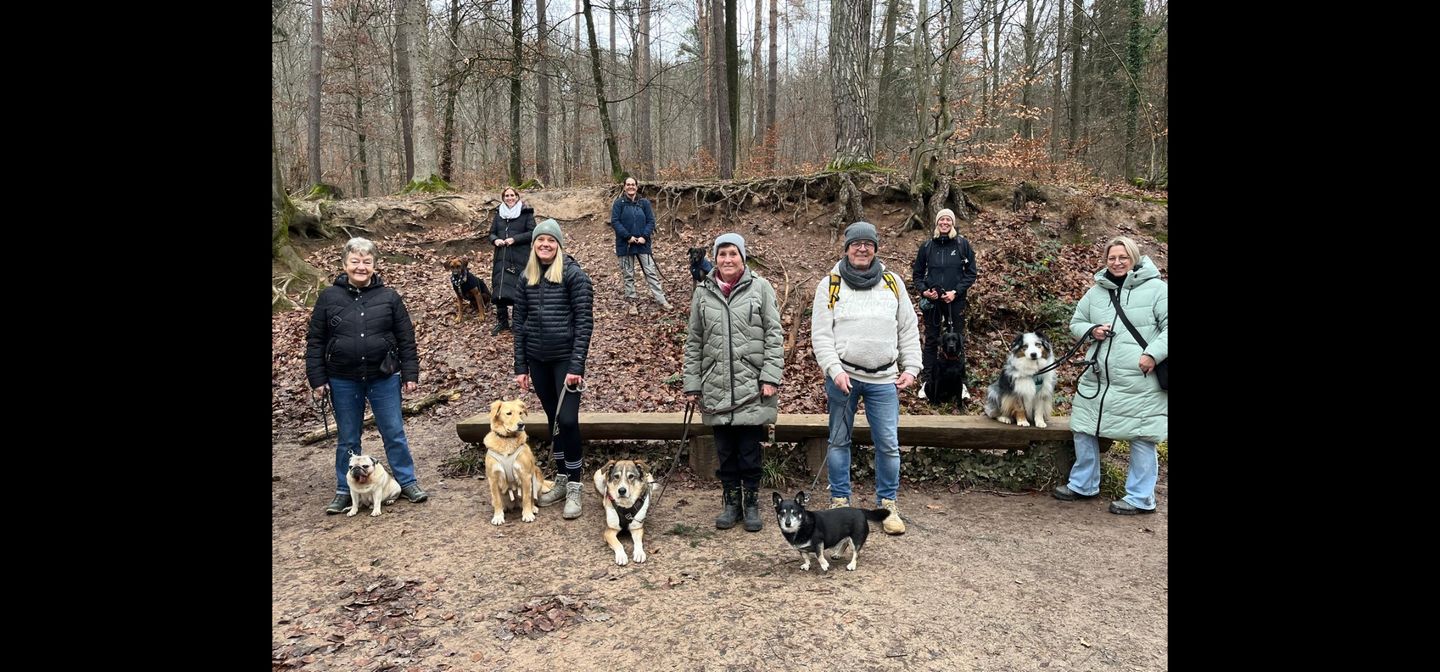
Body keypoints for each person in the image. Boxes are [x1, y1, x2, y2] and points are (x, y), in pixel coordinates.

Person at [809, 222, 922, 535]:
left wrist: (911, 367)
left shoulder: (892, 283)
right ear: (846, 248)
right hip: (843, 377)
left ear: (875, 248)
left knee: (887, 443)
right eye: (856, 244)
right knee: (838, 440)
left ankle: (887, 504)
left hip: (885, 379)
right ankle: (840, 500)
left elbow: (907, 328)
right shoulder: (830, 284)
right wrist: (834, 370)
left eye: (868, 244)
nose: (862, 249)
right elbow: (820, 335)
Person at [306, 237, 429, 514]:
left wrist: (410, 372)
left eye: (367, 261)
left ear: (374, 265)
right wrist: (317, 378)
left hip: (383, 376)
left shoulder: (389, 297)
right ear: (344, 264)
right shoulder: (329, 298)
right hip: (342, 378)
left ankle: (406, 481)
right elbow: (315, 340)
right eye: (355, 261)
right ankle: (343, 489)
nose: (361, 267)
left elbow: (405, 337)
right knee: (348, 438)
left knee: (394, 431)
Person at [1053, 236, 1168, 515]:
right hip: (1098, 378)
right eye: (1112, 258)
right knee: (1083, 427)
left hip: (1140, 379)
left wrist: (1153, 354)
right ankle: (1083, 484)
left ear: (1134, 258)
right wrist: (1092, 330)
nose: (1117, 263)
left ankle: (1141, 497)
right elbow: (1076, 322)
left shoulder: (1157, 290)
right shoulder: (1096, 292)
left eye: (1123, 257)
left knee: (1142, 436)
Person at [683, 233, 784, 532]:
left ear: (742, 257)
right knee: (725, 451)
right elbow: (694, 341)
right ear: (715, 258)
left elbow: (774, 335)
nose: (728, 259)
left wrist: (770, 375)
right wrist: (692, 384)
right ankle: (730, 503)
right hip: (715, 383)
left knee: (749, 451)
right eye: (722, 254)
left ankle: (751, 504)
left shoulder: (761, 288)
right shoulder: (703, 292)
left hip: (752, 385)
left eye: (733, 254)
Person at [513, 219, 595, 519]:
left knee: (568, 420)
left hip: (565, 360)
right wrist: (520, 365)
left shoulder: (575, 276)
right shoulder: (526, 278)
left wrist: (576, 365)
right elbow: (519, 325)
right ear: (533, 245)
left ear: (559, 245)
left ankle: (575, 484)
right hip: (538, 360)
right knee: (553, 421)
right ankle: (561, 477)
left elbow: (585, 324)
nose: (545, 245)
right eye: (539, 240)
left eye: (550, 241)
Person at [911, 208, 978, 402]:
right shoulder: (927, 246)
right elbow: (917, 274)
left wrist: (956, 291)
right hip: (933, 301)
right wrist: (924, 291)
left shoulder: (962, 244)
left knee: (957, 341)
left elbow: (971, 273)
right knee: (932, 340)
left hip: (955, 301)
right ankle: (927, 382)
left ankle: (962, 384)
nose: (945, 223)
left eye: (948, 220)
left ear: (953, 223)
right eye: (942, 220)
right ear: (937, 223)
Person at [610, 176, 671, 313]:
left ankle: (661, 300)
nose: (631, 187)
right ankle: (632, 303)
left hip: (643, 244)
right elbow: (615, 222)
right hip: (625, 245)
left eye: (633, 184)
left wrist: (644, 236)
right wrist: (628, 236)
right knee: (628, 274)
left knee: (650, 272)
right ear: (624, 187)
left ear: (637, 187)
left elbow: (651, 221)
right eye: (628, 184)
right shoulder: (619, 203)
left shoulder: (644, 203)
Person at [488, 186, 535, 335]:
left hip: (519, 256)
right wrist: (495, 240)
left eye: (512, 195)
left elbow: (532, 232)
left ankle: (517, 322)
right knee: (500, 287)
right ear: (503, 198)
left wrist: (515, 239)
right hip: (501, 257)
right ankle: (502, 322)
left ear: (517, 196)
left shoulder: (526, 213)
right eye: (506, 196)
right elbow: (491, 233)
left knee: (518, 288)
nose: (509, 198)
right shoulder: (499, 214)